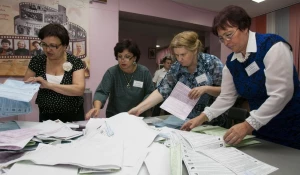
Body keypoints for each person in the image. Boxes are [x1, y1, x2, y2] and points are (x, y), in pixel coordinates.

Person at [181, 5, 300, 149]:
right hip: (261, 128)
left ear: (244, 28)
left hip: (291, 125)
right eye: (221, 38)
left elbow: (281, 93)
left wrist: (248, 125)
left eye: (229, 35)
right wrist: (201, 118)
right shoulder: (232, 62)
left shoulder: (273, 46)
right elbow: (227, 97)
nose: (226, 42)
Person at [128, 31, 224, 123]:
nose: (179, 59)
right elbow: (162, 91)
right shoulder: (176, 67)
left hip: (212, 121)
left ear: (194, 50)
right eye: (177, 55)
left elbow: (226, 92)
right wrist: (139, 109)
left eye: (183, 54)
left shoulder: (212, 63)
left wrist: (206, 89)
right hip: (186, 121)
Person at [24, 23, 85, 122]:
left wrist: (48, 85)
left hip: (72, 115)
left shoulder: (75, 62)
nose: (48, 50)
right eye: (44, 45)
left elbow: (79, 89)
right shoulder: (37, 61)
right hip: (46, 115)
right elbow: (26, 83)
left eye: (53, 46)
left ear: (65, 46)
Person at [85, 39, 154, 119]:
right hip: (115, 116)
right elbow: (102, 92)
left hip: (138, 116)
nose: (122, 60)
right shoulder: (112, 72)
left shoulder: (143, 72)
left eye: (127, 57)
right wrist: (96, 108)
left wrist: (141, 107)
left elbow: (150, 93)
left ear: (134, 58)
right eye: (120, 56)